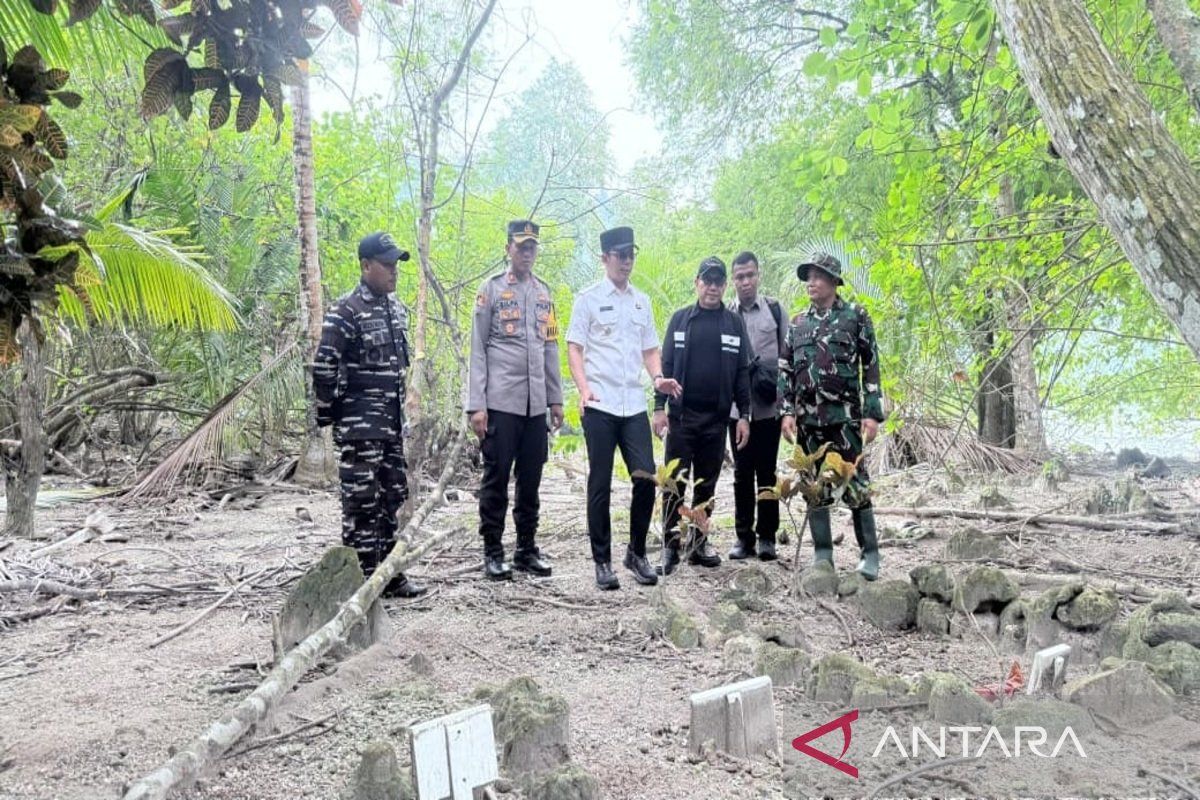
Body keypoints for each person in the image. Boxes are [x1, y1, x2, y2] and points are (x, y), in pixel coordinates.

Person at [312, 231, 428, 598]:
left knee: (391, 498)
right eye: (387, 265)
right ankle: (361, 584)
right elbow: (324, 369)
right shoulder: (344, 312)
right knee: (360, 505)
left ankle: (389, 575)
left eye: (397, 265)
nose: (394, 272)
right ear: (365, 266)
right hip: (360, 429)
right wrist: (334, 416)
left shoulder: (395, 311)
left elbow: (398, 371)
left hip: (391, 428)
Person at [566, 226, 681, 590]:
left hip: (632, 402)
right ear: (604, 259)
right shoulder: (587, 299)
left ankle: (636, 552)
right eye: (620, 255)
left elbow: (649, 349)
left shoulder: (641, 302)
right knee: (599, 482)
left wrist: (658, 376)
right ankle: (602, 561)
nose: (627, 261)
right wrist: (583, 388)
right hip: (600, 403)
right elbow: (575, 347)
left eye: (631, 254)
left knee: (646, 476)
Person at [466, 220, 564, 580]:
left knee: (531, 479)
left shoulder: (544, 295)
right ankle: (493, 551)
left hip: (535, 406)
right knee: (496, 479)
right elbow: (478, 349)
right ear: (508, 247)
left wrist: (556, 398)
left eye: (532, 247)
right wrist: (477, 404)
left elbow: (550, 346)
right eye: (521, 246)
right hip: (501, 404)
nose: (527, 253)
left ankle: (526, 548)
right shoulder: (490, 291)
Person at [779, 251, 884, 580]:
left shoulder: (856, 316)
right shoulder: (797, 324)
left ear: (834, 282)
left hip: (846, 421)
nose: (811, 282)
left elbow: (871, 367)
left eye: (818, 276)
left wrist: (872, 415)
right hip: (809, 423)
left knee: (856, 484)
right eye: (809, 276)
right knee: (813, 486)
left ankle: (870, 554)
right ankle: (822, 554)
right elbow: (785, 371)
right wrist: (786, 413)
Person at [653, 256, 752, 575]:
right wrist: (658, 408)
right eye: (706, 280)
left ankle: (698, 544)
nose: (712, 287)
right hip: (682, 418)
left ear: (725, 286)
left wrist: (744, 415)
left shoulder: (734, 323)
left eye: (718, 282)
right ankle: (670, 546)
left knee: (706, 485)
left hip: (717, 420)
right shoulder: (681, 320)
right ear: (697, 283)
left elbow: (741, 374)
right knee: (674, 484)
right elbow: (664, 368)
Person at [727, 251, 788, 562]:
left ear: (758, 275)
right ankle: (743, 538)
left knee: (767, 471)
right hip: (737, 412)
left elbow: (787, 359)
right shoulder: (726, 313)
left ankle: (767, 537)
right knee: (741, 473)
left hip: (768, 408)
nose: (745, 281)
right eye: (739, 277)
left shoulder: (774, 311)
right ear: (733, 280)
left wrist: (788, 405)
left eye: (750, 275)